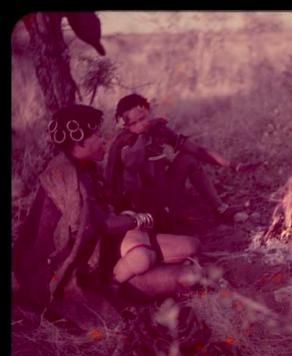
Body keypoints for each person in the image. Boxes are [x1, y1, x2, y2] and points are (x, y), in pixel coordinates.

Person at [13, 104, 201, 330]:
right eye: (97, 135)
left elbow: (106, 215)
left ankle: (132, 271)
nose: (103, 140)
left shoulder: (86, 167)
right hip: (86, 269)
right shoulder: (65, 174)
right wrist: (140, 219)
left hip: (109, 247)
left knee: (192, 245)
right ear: (80, 141)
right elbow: (97, 225)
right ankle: (118, 286)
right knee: (189, 276)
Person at [106, 93, 241, 231]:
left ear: (149, 113)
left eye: (143, 118)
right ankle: (168, 219)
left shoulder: (158, 130)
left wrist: (232, 165)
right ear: (126, 126)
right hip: (140, 204)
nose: (140, 125)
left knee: (188, 159)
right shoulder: (124, 141)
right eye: (133, 123)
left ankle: (220, 208)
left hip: (164, 194)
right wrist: (144, 135)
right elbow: (132, 163)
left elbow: (197, 150)